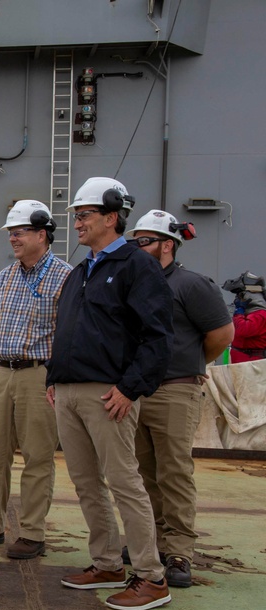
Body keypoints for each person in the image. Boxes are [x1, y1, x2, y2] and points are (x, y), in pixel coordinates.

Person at [46, 177, 174, 610]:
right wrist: (53, 380)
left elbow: (158, 337)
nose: (77, 223)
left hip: (109, 394)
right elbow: (67, 331)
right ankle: (106, 564)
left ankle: (151, 577)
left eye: (84, 216)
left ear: (111, 217)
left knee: (124, 483)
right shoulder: (81, 270)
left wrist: (130, 388)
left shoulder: (138, 267)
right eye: (77, 217)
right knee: (86, 483)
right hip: (68, 391)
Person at [125, 210, 233, 587]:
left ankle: (179, 552)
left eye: (144, 241)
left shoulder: (192, 285)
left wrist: (191, 362)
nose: (136, 247)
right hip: (137, 390)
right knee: (141, 472)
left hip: (175, 389)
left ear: (167, 244)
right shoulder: (135, 283)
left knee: (174, 471)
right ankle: (150, 541)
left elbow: (222, 334)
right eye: (134, 240)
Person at [0, 201, 72, 559]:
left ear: (43, 234)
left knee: (38, 456)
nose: (13, 238)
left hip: (39, 374)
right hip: (3, 372)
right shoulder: (3, 278)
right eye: (11, 232)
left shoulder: (65, 277)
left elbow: (71, 335)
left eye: (20, 231)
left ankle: (33, 533)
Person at [222, 271, 266, 363]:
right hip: (240, 361)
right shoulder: (245, 314)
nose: (237, 299)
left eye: (240, 295)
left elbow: (243, 330)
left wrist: (239, 312)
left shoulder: (260, 314)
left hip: (252, 364)